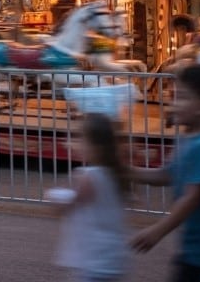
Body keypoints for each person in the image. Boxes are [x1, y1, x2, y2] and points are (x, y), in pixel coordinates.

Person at [130, 63, 200, 281]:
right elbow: (166, 175)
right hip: (193, 251)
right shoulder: (187, 139)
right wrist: (124, 171)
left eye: (182, 97)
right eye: (174, 96)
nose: (174, 104)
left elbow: (193, 197)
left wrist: (157, 231)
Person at [51, 113, 131, 282]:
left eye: (82, 139)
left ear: (96, 147)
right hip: (114, 254)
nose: (78, 144)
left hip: (95, 257)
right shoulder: (116, 173)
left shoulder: (88, 176)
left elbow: (68, 205)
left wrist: (54, 195)